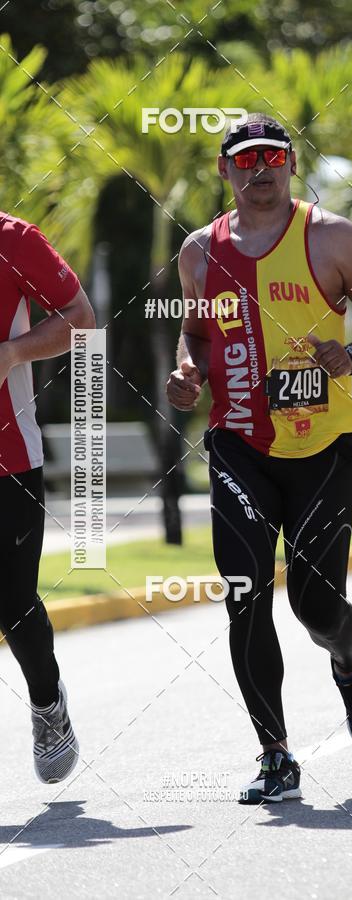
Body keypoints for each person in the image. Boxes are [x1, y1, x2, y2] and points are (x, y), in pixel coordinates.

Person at [166, 113, 352, 804]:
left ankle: (348, 659)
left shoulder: (330, 236)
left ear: (292, 162)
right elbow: (196, 332)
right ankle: (275, 754)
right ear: (226, 171)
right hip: (238, 444)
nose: (260, 170)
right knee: (245, 598)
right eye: (245, 161)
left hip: (321, 449)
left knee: (315, 606)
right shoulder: (198, 252)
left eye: (272, 156)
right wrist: (189, 371)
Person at [0, 212, 95, 782]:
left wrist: (11, 353)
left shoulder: (13, 241)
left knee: (13, 604)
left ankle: (46, 703)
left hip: (9, 459)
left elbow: (80, 318)